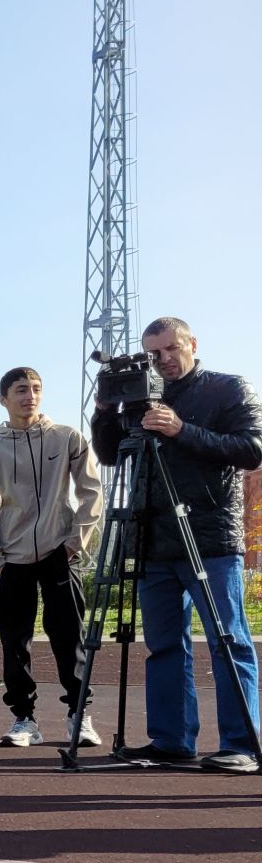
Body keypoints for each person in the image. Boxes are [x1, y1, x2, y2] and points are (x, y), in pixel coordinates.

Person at [90, 316, 262, 773]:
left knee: (228, 641)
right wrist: (105, 410)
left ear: (191, 344)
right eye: (154, 352)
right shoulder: (138, 393)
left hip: (210, 537)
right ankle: (171, 740)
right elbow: (109, 455)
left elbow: (252, 448)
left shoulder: (227, 388)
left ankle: (241, 745)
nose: (163, 359)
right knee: (164, 645)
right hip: (150, 536)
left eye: (171, 349)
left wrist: (181, 429)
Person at [0, 367, 105, 748]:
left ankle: (79, 715)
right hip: (12, 560)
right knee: (15, 642)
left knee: (69, 638)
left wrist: (75, 541)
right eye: (20, 390)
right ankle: (24, 720)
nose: (30, 396)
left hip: (60, 554)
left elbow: (92, 491)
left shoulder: (67, 438)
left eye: (36, 389)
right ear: (3, 399)